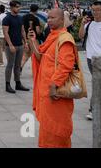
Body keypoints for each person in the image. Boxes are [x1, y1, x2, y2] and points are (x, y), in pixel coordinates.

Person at [28, 8, 78, 148]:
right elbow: (40, 58)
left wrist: (53, 85)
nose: (49, 20)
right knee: (47, 129)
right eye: (48, 17)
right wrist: (33, 41)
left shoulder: (64, 38)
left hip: (56, 93)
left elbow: (66, 65)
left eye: (53, 18)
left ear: (62, 20)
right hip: (48, 92)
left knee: (56, 130)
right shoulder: (52, 36)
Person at [78, 0, 101, 121]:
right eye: (93, 10)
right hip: (91, 59)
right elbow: (80, 36)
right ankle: (92, 110)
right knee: (97, 84)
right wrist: (82, 24)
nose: (95, 12)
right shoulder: (89, 24)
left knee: (100, 85)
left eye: (98, 10)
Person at [2, 0, 30, 93]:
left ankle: (18, 83)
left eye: (19, 6)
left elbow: (22, 31)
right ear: (12, 7)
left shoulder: (20, 18)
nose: (19, 8)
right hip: (11, 46)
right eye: (17, 7)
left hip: (20, 45)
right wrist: (10, 45)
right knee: (10, 65)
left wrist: (25, 42)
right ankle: (7, 85)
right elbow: (5, 33)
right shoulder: (7, 18)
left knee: (18, 66)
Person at [21, 4, 42, 71]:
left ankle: (20, 67)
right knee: (35, 54)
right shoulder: (35, 19)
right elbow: (38, 31)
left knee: (25, 55)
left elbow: (21, 28)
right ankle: (35, 70)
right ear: (36, 11)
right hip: (34, 39)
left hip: (26, 38)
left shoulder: (23, 17)